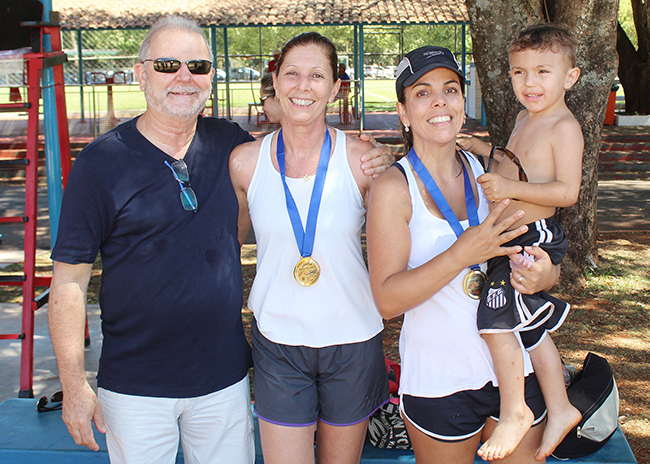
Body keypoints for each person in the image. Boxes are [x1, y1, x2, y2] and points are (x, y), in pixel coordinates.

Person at [48, 17, 393, 464]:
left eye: (199, 66)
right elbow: (70, 281)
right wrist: (74, 384)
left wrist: (380, 155)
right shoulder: (102, 163)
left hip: (223, 378)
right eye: (168, 64)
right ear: (140, 72)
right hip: (136, 383)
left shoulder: (227, 146)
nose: (184, 77)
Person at [366, 45, 562, 464]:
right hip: (440, 381)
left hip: (516, 375)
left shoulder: (491, 171)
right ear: (403, 111)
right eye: (422, 92)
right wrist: (460, 254)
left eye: (450, 89)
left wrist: (544, 275)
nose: (440, 101)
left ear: (461, 102)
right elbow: (386, 300)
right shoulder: (392, 189)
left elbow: (537, 260)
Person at [230, 32, 389, 464]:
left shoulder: (364, 161)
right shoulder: (245, 162)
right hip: (278, 339)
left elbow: (404, 239)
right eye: (292, 74)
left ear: (335, 87)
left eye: (317, 75)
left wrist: (394, 165)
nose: (303, 86)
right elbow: (230, 244)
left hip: (352, 337)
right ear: (276, 84)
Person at [461, 23, 583, 461]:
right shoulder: (522, 118)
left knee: (493, 321)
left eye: (542, 72)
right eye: (519, 72)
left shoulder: (563, 126)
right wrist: (479, 147)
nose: (529, 83)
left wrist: (509, 192)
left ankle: (514, 411)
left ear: (570, 76)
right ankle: (561, 407)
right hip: (511, 232)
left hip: (534, 236)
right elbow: (515, 161)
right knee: (530, 330)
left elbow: (565, 192)